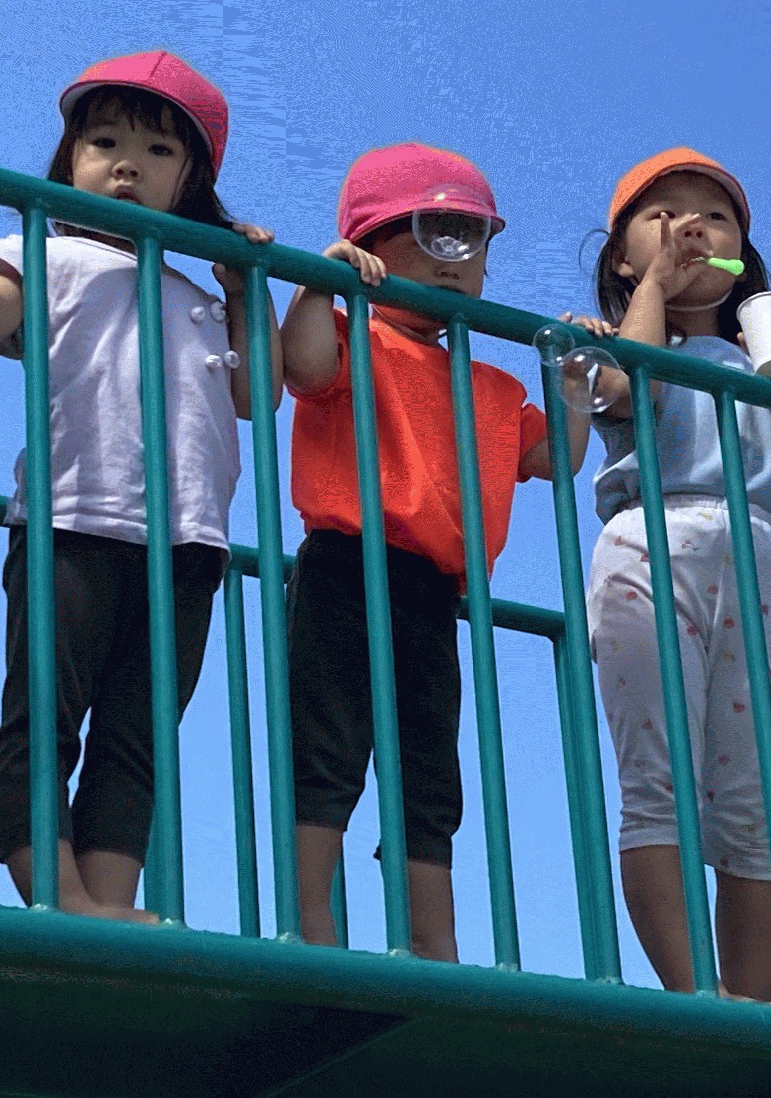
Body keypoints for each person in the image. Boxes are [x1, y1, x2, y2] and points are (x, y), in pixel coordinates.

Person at [0, 49, 278, 920]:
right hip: (73, 518)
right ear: (69, 156)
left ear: (191, 182)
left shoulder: (193, 290)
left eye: (158, 151)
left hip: (188, 539)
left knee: (139, 732)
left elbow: (255, 395)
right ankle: (57, 891)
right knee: (46, 715)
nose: (126, 165)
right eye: (103, 141)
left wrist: (245, 290)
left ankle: (110, 901)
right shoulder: (41, 248)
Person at [280, 142, 587, 959]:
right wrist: (319, 282)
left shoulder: (491, 386)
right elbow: (301, 367)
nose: (453, 259)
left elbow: (556, 456)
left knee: (429, 770)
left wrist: (575, 384)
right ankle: (312, 924)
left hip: (434, 590)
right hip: (345, 566)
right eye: (427, 235)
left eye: (471, 239)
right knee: (327, 747)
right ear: (371, 248)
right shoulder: (350, 332)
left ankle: (432, 940)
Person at [581, 146, 771, 999]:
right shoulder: (605, 342)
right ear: (620, 257)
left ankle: (750, 1011)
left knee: (755, 805)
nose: (692, 228)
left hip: (763, 550)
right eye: (663, 215)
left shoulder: (761, 364)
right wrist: (653, 290)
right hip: (651, 535)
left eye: (715, 218)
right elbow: (628, 390)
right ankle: (693, 995)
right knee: (659, 784)